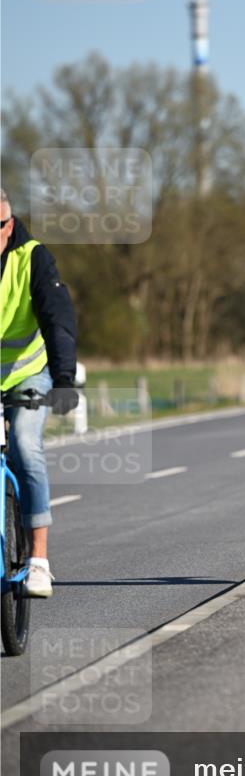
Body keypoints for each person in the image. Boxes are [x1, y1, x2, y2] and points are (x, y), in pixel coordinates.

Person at [0, 187, 78, 597]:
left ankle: (39, 562)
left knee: (25, 445)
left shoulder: (33, 258)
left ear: (9, 224)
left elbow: (57, 319)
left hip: (27, 375)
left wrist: (63, 380)